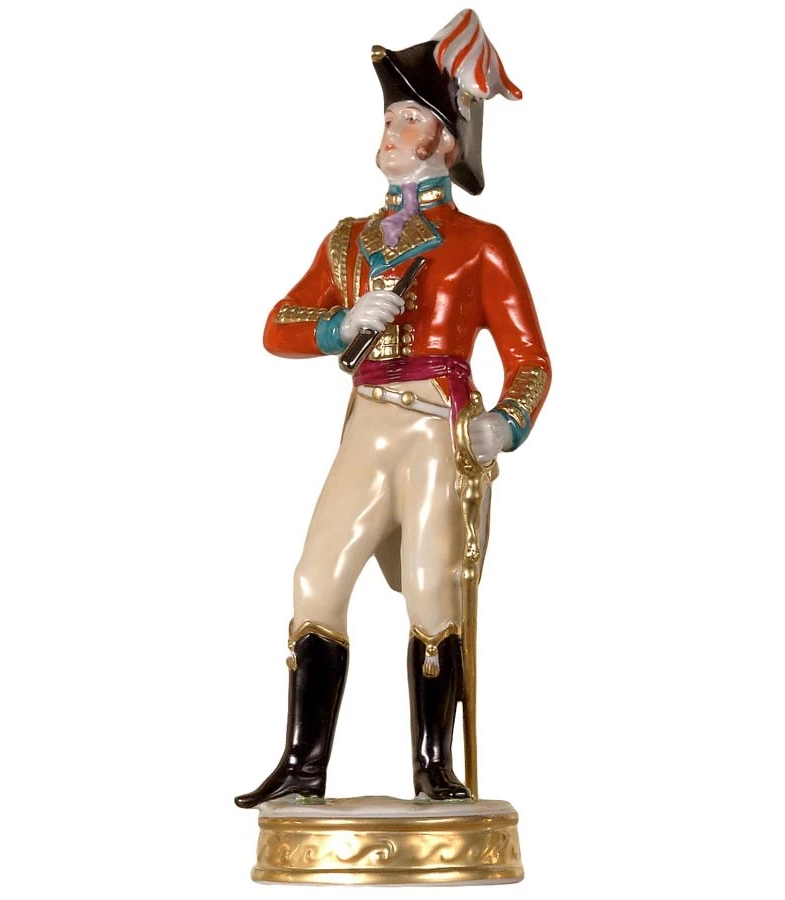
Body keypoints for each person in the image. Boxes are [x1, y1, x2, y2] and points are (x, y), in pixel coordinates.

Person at [235, 9, 551, 808]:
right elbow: (278, 325)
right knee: (315, 579)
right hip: (369, 419)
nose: (391, 128)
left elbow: (530, 361)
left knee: (431, 587)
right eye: (390, 115)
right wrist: (341, 325)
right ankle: (303, 765)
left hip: (437, 426)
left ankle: (434, 768)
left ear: (445, 140)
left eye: (410, 116)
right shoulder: (349, 242)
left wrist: (507, 422)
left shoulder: (481, 243)